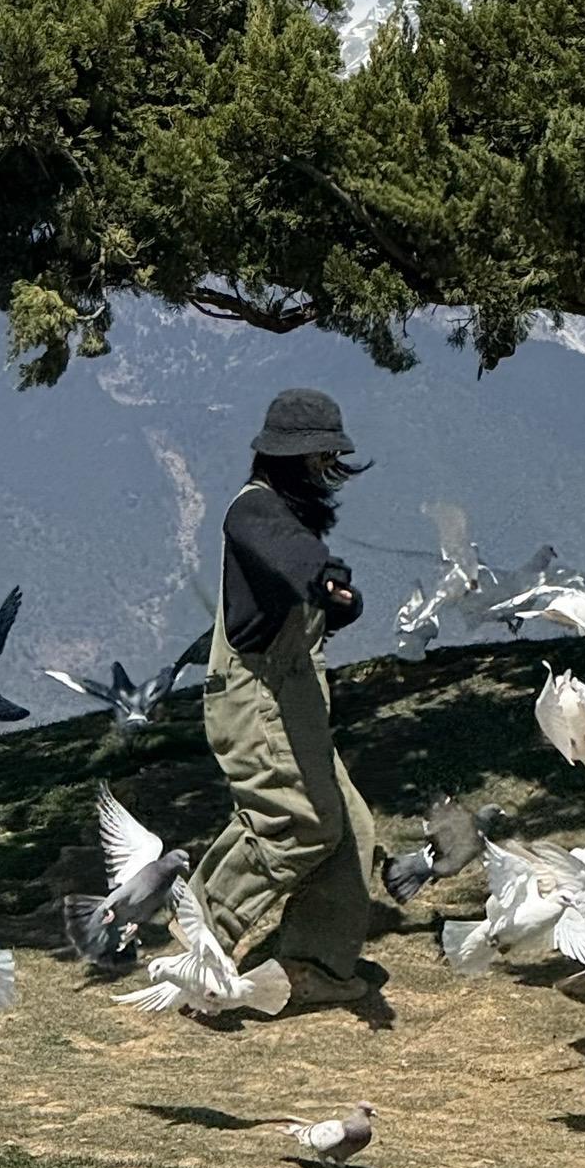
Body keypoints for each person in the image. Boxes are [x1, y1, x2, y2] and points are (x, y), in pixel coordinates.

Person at [189, 388, 381, 1011]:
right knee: (296, 824)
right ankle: (198, 947)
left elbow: (295, 587)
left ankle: (313, 965)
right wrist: (324, 578)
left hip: (295, 691)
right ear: (293, 460)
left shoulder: (287, 520)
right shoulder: (253, 512)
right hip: (257, 695)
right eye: (321, 461)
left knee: (350, 830)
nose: (328, 473)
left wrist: (336, 601)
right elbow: (292, 559)